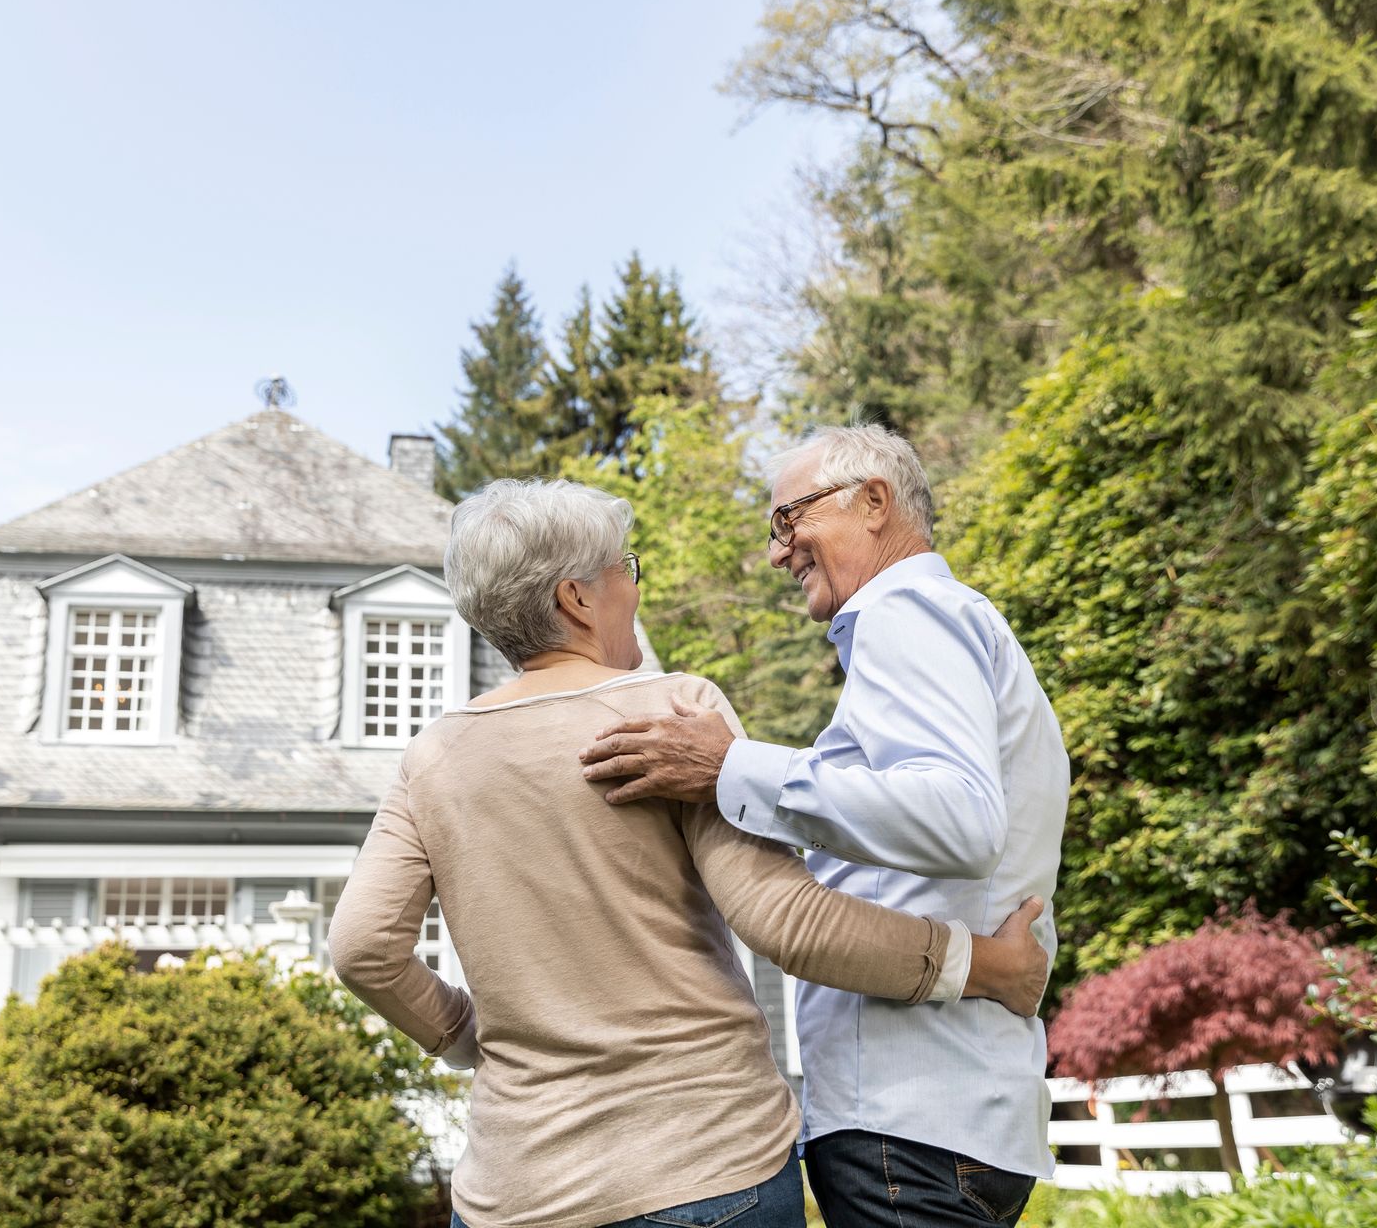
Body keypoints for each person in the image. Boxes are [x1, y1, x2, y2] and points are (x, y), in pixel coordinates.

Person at [329, 477, 1051, 1228]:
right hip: (707, 1171)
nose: (632, 590)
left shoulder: (434, 756)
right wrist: (977, 964)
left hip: (514, 1196)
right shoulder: (672, 714)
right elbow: (787, 923)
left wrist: (462, 1032)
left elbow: (361, 948)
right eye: (624, 570)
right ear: (577, 599)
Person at [580, 426, 1071, 1228]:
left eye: (789, 520)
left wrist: (730, 769)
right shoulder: (955, 626)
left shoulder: (905, 611)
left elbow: (959, 819)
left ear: (873, 500)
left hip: (909, 1125)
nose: (779, 552)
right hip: (945, 1119)